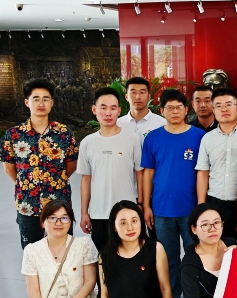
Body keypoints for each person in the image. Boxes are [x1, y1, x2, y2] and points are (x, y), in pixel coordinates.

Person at [141, 89, 205, 298]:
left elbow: (203, 173)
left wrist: (201, 208)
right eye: (170, 108)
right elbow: (148, 173)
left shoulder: (199, 137)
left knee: (193, 255)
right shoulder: (153, 138)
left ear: (186, 110)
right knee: (168, 259)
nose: (175, 111)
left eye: (179, 107)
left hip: (191, 209)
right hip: (161, 209)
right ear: (162, 111)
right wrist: (146, 205)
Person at [3, 78, 79, 248]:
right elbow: (9, 168)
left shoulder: (64, 133)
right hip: (28, 204)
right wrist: (27, 184)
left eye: (46, 99)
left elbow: (71, 165)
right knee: (32, 252)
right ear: (27, 102)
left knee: (64, 252)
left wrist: (55, 180)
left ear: (52, 103)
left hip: (59, 204)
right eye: (36, 99)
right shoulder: (13, 135)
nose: (41, 103)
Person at [78, 87, 143, 252]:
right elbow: (86, 179)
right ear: (94, 110)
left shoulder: (132, 139)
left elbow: (140, 173)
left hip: (127, 212)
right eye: (103, 107)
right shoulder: (87, 143)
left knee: (130, 256)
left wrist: (141, 204)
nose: (108, 113)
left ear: (119, 111)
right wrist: (84, 212)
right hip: (99, 213)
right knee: (104, 258)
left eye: (113, 108)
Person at [196, 87, 237, 241]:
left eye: (229, 104)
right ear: (213, 110)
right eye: (218, 105)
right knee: (218, 247)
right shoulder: (207, 139)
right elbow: (203, 173)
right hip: (215, 203)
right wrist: (202, 207)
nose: (224, 109)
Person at [117, 77, 166, 149]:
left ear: (149, 96)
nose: (138, 97)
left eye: (142, 92)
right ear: (126, 97)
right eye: (133, 92)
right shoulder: (117, 124)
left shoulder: (162, 124)